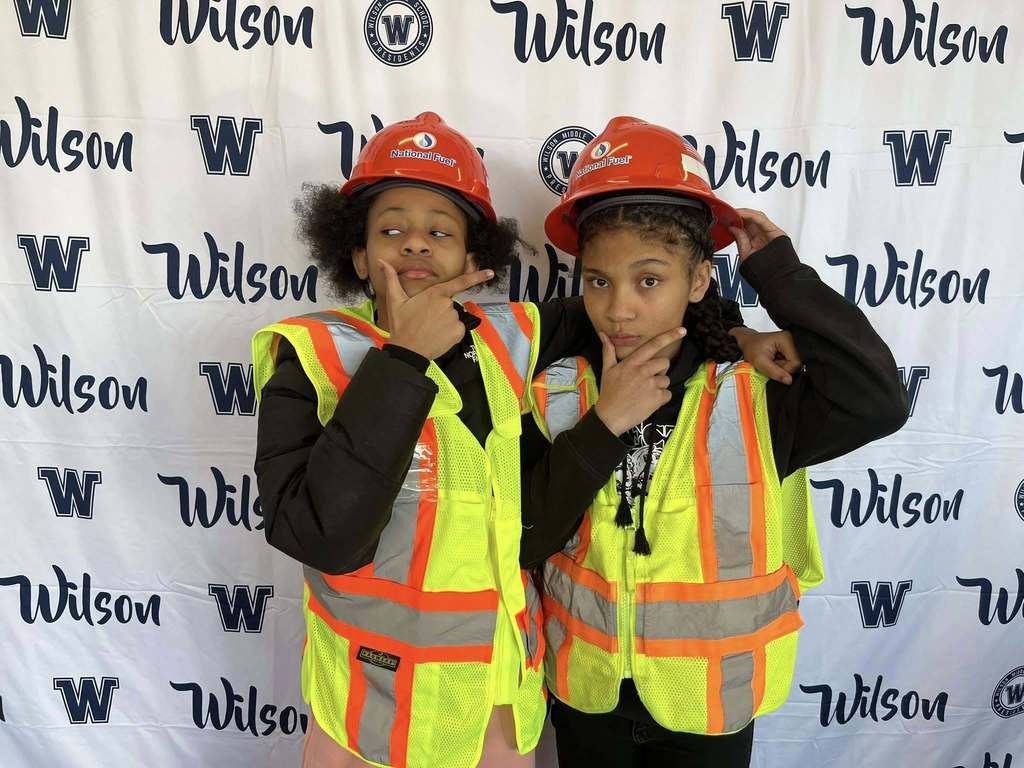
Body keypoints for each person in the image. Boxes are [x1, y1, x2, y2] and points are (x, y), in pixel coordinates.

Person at [522, 115, 909, 768]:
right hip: (588, 700)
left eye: (650, 281)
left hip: (709, 708)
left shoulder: (756, 393)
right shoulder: (555, 387)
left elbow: (876, 398)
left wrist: (780, 278)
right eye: (597, 280)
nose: (619, 308)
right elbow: (526, 538)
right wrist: (602, 429)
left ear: (699, 280)